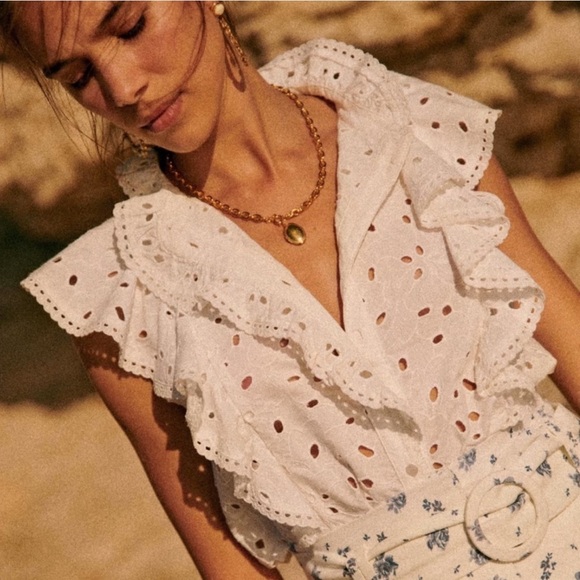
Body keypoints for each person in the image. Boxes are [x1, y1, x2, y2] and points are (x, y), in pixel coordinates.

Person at [3, 2, 580, 578]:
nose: (124, 87)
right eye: (79, 76)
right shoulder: (120, 299)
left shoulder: (405, 123)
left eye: (131, 27)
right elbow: (234, 568)